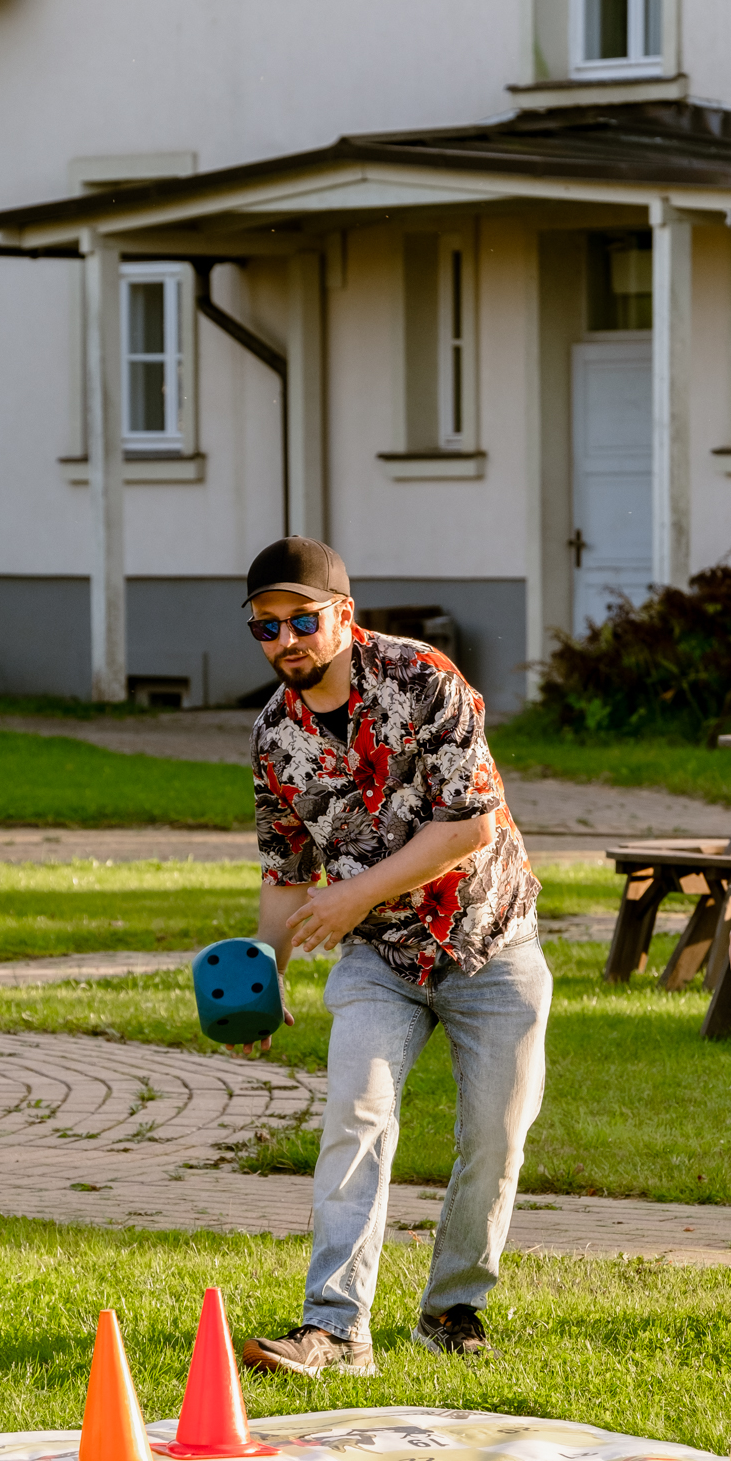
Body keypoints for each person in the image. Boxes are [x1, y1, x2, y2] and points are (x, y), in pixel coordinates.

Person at [236, 536, 550, 1376]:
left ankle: (451, 1310)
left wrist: (353, 895)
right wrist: (264, 976)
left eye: (302, 620)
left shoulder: (423, 679)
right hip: (382, 960)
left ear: (343, 614)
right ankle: (335, 1330)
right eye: (266, 627)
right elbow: (286, 872)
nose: (286, 640)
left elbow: (470, 824)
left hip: (489, 939)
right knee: (358, 1115)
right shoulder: (274, 736)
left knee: (496, 1139)